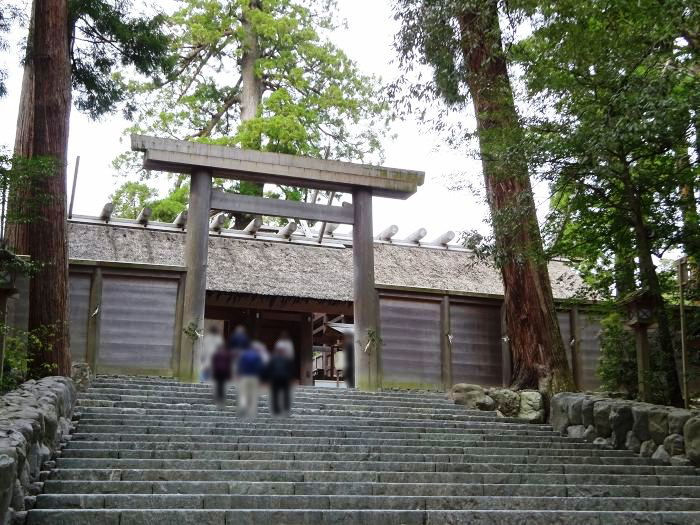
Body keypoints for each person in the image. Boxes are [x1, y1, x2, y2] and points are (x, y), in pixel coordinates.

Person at [266, 339, 295, 416]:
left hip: (276, 378)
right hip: (284, 378)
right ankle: (286, 410)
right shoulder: (286, 359)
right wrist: (290, 378)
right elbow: (290, 369)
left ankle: (276, 410)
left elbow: (269, 368)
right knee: (285, 394)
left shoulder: (273, 358)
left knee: (275, 394)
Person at [235, 339, 264, 417]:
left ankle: (243, 407)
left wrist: (238, 374)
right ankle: (252, 410)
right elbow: (260, 367)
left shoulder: (243, 355)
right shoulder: (257, 356)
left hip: (244, 376)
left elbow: (240, 365)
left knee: (243, 393)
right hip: (254, 377)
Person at [210, 341, 233, 407]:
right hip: (224, 372)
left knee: (218, 385)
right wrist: (229, 374)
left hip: (218, 372)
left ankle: (218, 397)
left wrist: (213, 373)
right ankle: (222, 398)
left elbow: (214, 364)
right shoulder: (227, 355)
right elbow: (229, 365)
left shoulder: (216, 354)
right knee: (222, 385)